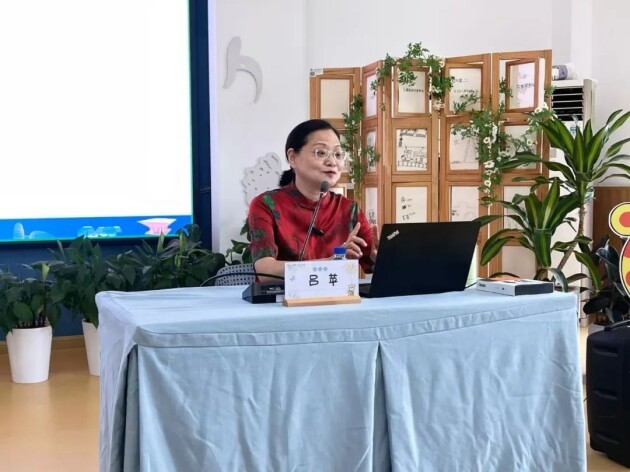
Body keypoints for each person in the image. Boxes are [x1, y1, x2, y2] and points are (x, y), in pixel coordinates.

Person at [248, 119, 379, 281]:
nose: (332, 162)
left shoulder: (348, 209)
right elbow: (265, 271)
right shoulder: (266, 204)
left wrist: (380, 258)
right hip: (281, 296)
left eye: (338, 154)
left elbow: (374, 263)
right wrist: (330, 263)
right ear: (293, 158)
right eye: (321, 153)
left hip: (337, 296)